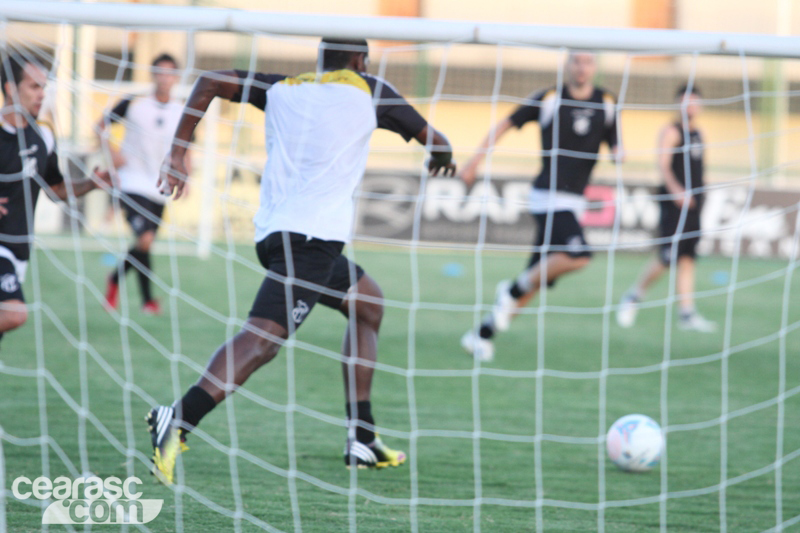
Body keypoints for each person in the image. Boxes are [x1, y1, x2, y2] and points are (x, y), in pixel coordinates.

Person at [146, 38, 456, 484]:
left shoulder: (283, 87)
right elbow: (437, 141)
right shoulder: (371, 90)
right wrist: (442, 157)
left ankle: (363, 439)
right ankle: (178, 420)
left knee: (368, 305)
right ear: (360, 61)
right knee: (263, 341)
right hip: (309, 242)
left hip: (281, 234)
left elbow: (210, 81)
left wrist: (177, 151)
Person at [459, 52, 620, 362]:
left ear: (595, 66)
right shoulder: (549, 98)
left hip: (575, 201)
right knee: (579, 255)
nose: (581, 66)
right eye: (576, 60)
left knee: (538, 277)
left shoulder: (608, 102)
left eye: (587, 61)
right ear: (567, 64)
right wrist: (473, 162)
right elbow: (505, 124)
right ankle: (510, 290)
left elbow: (616, 147)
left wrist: (621, 154)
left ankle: (481, 335)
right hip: (548, 196)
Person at [0, 51, 112, 346]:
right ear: (11, 88)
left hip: (19, 248)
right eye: (34, 87)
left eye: (44, 88)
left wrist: (92, 183)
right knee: (14, 313)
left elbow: (55, 190)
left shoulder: (43, 137)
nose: (42, 95)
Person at [617, 85, 716, 332]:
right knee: (667, 257)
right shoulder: (672, 131)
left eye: (693, 101)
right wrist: (677, 191)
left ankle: (687, 314)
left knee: (687, 260)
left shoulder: (699, 133)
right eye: (685, 101)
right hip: (675, 204)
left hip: (695, 205)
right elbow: (663, 165)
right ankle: (633, 296)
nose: (689, 106)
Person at [100, 53, 190, 315]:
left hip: (159, 186)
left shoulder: (181, 109)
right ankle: (145, 299)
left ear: (176, 78)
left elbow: (187, 145)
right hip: (131, 182)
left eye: (169, 73)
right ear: (153, 75)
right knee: (146, 239)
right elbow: (99, 126)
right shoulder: (135, 103)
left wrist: (186, 175)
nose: (164, 78)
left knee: (144, 244)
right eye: (159, 72)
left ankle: (122, 283)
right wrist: (112, 153)